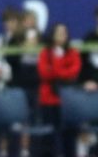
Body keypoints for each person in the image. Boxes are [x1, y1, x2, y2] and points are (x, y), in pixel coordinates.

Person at [36, 23, 80, 157]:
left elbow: (75, 71)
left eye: (65, 32)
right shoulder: (45, 53)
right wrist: (63, 71)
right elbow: (44, 73)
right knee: (49, 135)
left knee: (69, 134)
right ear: (52, 35)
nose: (63, 35)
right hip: (48, 99)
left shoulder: (72, 52)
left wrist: (55, 70)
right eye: (59, 32)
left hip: (68, 99)